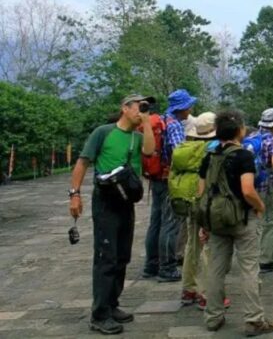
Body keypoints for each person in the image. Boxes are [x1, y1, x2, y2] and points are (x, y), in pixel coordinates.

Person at [68, 94, 156, 335]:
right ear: (125, 109)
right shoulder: (103, 132)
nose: (142, 110)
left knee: (122, 256)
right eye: (139, 106)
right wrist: (75, 194)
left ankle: (112, 303)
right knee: (106, 257)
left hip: (126, 201)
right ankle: (99, 314)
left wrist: (147, 122)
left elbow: (149, 151)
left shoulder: (138, 137)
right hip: (105, 202)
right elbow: (82, 162)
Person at [198, 110, 273, 336]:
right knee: (249, 268)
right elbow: (247, 190)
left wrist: (205, 223)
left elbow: (201, 192)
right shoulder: (243, 156)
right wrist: (260, 206)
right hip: (242, 218)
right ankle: (253, 319)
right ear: (239, 130)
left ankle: (213, 317)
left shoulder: (209, 156)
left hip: (216, 220)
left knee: (216, 269)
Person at [143, 89, 196, 282]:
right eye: (189, 105)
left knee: (155, 221)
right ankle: (167, 267)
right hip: (168, 179)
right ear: (183, 108)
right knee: (170, 223)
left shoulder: (161, 120)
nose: (191, 108)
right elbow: (178, 155)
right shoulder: (174, 125)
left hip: (155, 178)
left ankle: (151, 265)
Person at [171, 112, 216, 307]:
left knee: (191, 244)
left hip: (187, 200)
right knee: (207, 245)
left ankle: (188, 289)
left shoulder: (184, 149)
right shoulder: (210, 150)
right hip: (204, 201)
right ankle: (207, 293)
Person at [247, 108, 273, 273]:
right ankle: (266, 259)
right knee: (270, 220)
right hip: (266, 184)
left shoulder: (251, 137)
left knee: (253, 219)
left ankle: (250, 255)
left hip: (251, 184)